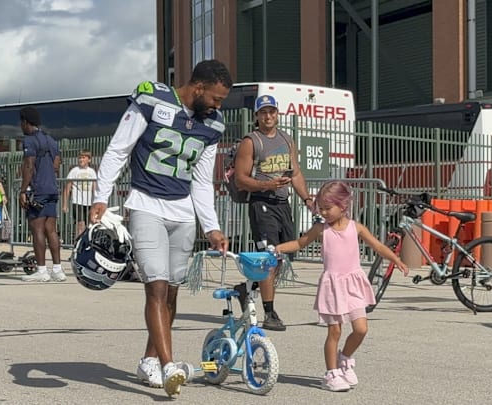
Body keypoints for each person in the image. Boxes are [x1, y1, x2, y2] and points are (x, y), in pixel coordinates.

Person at [88, 59, 232, 398]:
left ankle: (150, 360)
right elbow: (118, 149)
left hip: (182, 211)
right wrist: (100, 195)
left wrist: (211, 227)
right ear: (198, 88)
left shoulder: (213, 124)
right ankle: (169, 367)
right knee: (155, 287)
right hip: (145, 204)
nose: (217, 105)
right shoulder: (153, 99)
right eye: (215, 98)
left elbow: (200, 179)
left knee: (172, 291)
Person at [275, 180, 409, 392]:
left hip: (353, 283)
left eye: (328, 208)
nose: (324, 213)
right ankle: (331, 373)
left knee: (361, 328)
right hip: (333, 286)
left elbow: (378, 246)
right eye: (321, 208)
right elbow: (300, 243)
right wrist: (279, 248)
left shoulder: (356, 228)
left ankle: (344, 357)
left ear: (343, 206)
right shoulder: (321, 229)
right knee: (334, 332)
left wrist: (397, 260)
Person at [232, 94, 315, 331]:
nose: (268, 116)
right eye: (263, 112)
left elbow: (295, 174)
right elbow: (241, 179)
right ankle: (269, 312)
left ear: (277, 114)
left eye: (272, 112)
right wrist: (266, 185)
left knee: (283, 257)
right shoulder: (251, 142)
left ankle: (246, 289)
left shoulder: (287, 140)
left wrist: (308, 199)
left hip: (282, 204)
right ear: (257, 116)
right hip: (261, 203)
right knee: (269, 257)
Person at [18, 106, 66, 283]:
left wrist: (23, 190)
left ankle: (41, 270)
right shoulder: (51, 140)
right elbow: (56, 164)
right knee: (51, 230)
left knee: (37, 229)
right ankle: (58, 269)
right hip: (52, 188)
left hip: (38, 189)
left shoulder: (29, 140)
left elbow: (29, 165)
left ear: (25, 122)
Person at [62, 149, 97, 237]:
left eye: (83, 157)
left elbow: (95, 188)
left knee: (89, 224)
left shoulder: (92, 171)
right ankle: (79, 244)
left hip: (89, 202)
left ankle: (87, 244)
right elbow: (67, 188)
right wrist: (65, 204)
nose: (81, 160)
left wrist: (96, 203)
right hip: (78, 202)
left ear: (89, 159)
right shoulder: (74, 171)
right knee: (80, 224)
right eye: (80, 158)